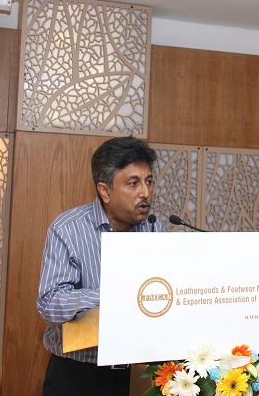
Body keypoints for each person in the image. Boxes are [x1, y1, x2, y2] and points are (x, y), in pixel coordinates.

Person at [37, 136, 166, 396]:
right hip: (79, 375)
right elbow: (50, 303)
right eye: (134, 183)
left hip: (138, 372)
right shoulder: (67, 229)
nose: (145, 192)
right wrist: (114, 295)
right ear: (105, 191)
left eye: (149, 181)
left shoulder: (153, 228)